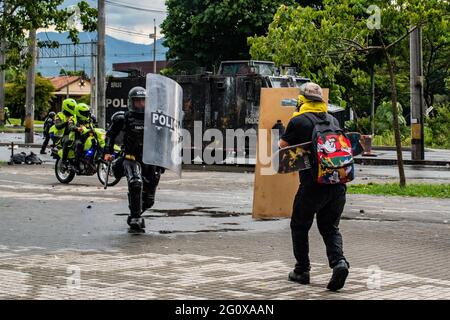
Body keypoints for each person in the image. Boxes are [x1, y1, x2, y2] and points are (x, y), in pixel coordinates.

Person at [279, 82, 350, 292]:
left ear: (302, 100)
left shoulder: (298, 120)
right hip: (338, 184)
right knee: (330, 227)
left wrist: (288, 127)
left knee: (299, 225)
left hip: (312, 185)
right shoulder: (332, 119)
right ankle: (339, 263)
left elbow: (282, 149)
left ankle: (302, 270)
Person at [104, 86, 163, 232]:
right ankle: (136, 218)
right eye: (137, 101)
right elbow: (110, 135)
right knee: (135, 183)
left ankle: (133, 215)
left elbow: (164, 138)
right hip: (130, 157)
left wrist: (165, 158)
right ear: (131, 102)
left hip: (150, 160)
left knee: (149, 201)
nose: (141, 104)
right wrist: (107, 152)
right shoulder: (122, 118)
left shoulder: (154, 118)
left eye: (143, 101)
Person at [54, 98, 78, 169]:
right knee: (67, 140)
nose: (73, 108)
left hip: (73, 135)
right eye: (71, 107)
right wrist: (66, 123)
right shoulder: (59, 115)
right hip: (61, 136)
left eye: (74, 107)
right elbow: (57, 126)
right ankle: (63, 162)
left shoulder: (75, 115)